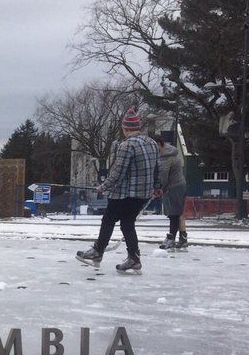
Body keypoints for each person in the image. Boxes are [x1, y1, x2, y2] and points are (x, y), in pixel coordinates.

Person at [76, 109, 159, 273]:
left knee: (108, 220)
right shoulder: (152, 143)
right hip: (142, 194)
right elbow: (158, 168)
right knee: (127, 224)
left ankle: (97, 251)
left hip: (124, 194)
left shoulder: (126, 145)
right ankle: (134, 259)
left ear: (125, 128)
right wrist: (157, 187)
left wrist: (103, 186)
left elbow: (118, 172)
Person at [151, 132, 188, 250]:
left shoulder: (166, 158)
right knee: (178, 214)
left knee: (174, 214)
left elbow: (163, 178)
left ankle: (171, 238)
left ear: (160, 145)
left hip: (174, 187)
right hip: (177, 186)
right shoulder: (168, 152)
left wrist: (157, 190)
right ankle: (183, 239)